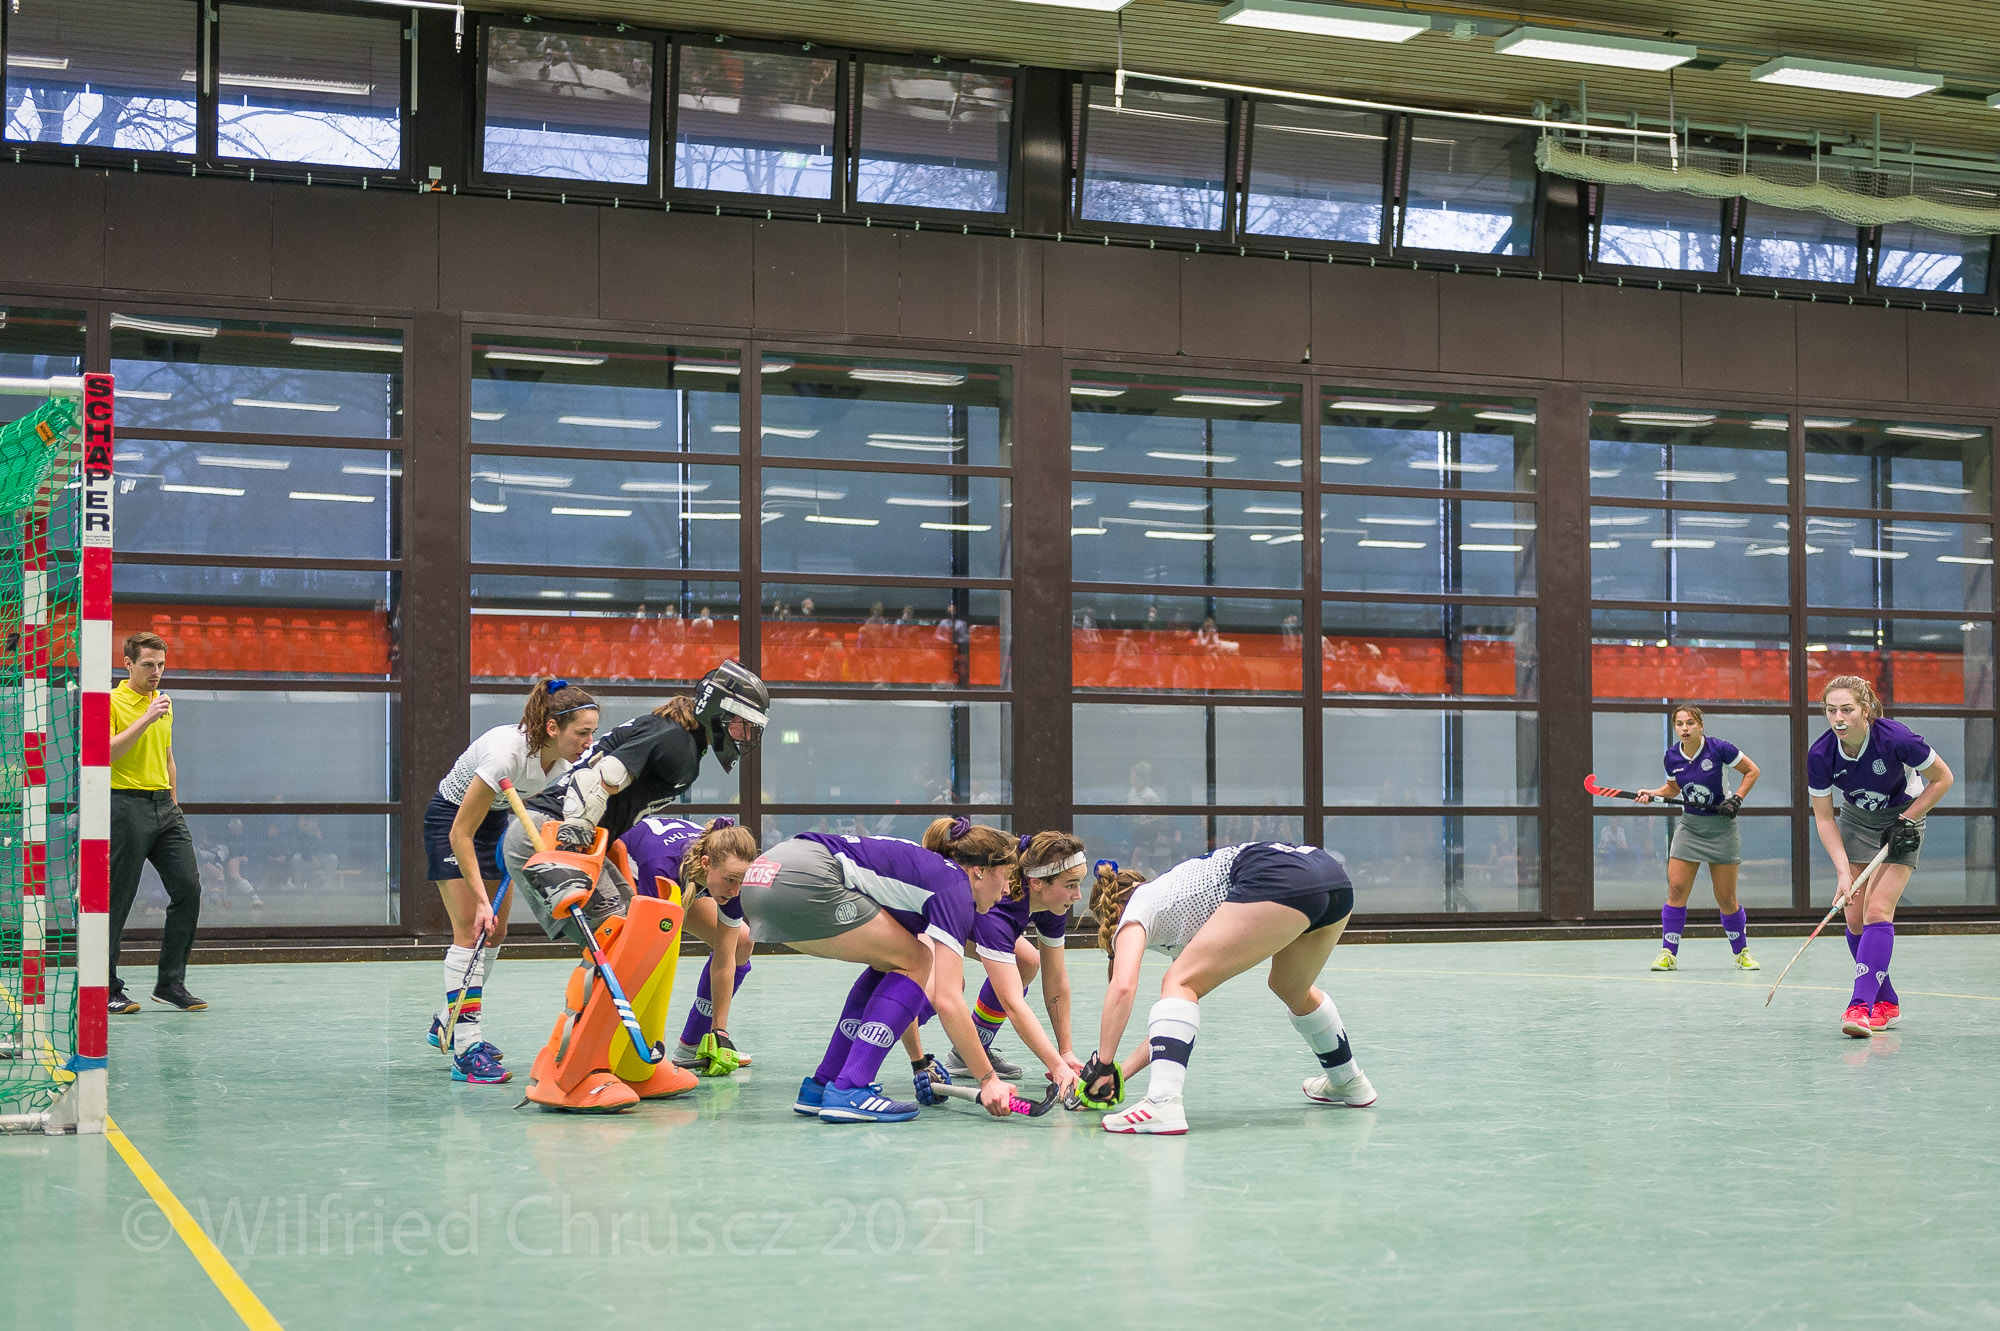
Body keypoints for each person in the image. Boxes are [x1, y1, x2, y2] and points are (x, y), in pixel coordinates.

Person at [507, 661, 769, 1111]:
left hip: (575, 835)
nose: (745, 736)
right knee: (620, 948)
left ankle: (634, 1065)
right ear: (718, 711)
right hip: (554, 834)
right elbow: (602, 777)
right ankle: (572, 1074)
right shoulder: (676, 741)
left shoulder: (679, 740)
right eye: (742, 723)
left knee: (643, 945)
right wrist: (573, 835)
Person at [1080, 843, 1376, 1136]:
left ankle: (1162, 1103)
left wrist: (1102, 1065)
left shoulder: (1137, 907)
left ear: (1111, 912)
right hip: (1331, 876)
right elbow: (1174, 1023)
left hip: (1278, 875)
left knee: (1178, 982)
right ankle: (1348, 1080)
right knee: (1290, 986)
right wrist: (1119, 1074)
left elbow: (1122, 987)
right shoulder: (1173, 903)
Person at [738, 819, 1018, 1123]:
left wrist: (919, 1062)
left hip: (760, 877)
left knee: (893, 961)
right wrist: (988, 1079)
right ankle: (851, 1088)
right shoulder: (956, 888)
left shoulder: (925, 873)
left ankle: (822, 1085)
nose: (1007, 889)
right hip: (803, 876)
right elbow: (947, 999)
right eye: (1006, 875)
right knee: (918, 959)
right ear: (979, 870)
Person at [423, 677, 600, 1084]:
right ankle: (466, 1049)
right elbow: (460, 833)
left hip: (497, 822)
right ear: (553, 728)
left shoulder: (567, 762)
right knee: (472, 931)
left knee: (496, 932)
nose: (589, 742)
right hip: (453, 824)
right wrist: (480, 900)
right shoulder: (506, 755)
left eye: (593, 732)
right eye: (582, 732)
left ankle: (449, 1020)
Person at [1808, 676, 1955, 1038]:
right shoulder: (1820, 754)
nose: (1838, 718)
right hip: (1856, 821)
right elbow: (1825, 819)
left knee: (1877, 910)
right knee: (1854, 917)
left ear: (1866, 710)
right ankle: (1886, 1000)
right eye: (1831, 710)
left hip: (1904, 818)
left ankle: (1859, 1007)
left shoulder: (1897, 738)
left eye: (1847, 709)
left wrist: (1907, 819)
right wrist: (1843, 872)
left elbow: (1943, 778)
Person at [613, 813, 761, 1074]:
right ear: (706, 863)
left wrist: (720, 1032)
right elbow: (654, 958)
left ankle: (693, 1042)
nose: (736, 891)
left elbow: (724, 961)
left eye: (741, 882)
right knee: (645, 959)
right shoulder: (659, 867)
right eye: (730, 880)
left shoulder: (731, 880)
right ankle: (637, 1049)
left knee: (741, 941)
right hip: (630, 876)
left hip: (685, 880)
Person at [106, 632, 205, 1013]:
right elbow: (106, 753)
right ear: (128, 664)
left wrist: (173, 806)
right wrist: (147, 718)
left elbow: (167, 757)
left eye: (161, 665)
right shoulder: (110, 702)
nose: (156, 672)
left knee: (189, 890)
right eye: (148, 664)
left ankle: (170, 984)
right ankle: (107, 989)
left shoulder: (164, 702)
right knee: (117, 901)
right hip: (124, 807)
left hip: (164, 808)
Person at [1635, 704, 1763, 972]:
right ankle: (1668, 953)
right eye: (1680, 724)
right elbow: (1672, 788)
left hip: (1722, 828)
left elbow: (1752, 771)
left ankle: (1741, 952)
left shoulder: (1719, 749)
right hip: (1690, 828)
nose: (1685, 728)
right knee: (1676, 890)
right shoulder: (1672, 757)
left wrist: (1737, 799)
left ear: (1700, 726)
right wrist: (1652, 793)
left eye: (1690, 723)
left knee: (1726, 898)